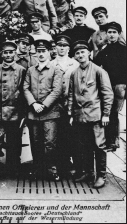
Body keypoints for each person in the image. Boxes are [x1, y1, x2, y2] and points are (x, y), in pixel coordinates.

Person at [68, 40, 114, 188]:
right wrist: (70, 113)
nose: (80, 55)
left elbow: (107, 94)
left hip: (96, 115)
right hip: (79, 116)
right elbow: (70, 95)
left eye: (83, 52)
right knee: (84, 146)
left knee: (99, 146)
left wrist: (106, 114)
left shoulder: (99, 71)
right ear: (74, 57)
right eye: (77, 53)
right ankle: (88, 172)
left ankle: (101, 176)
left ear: (89, 53)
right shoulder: (74, 73)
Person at [0, 41, 26, 180]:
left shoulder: (21, 70)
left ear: (15, 53)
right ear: (2, 54)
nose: (8, 55)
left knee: (15, 142)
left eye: (11, 52)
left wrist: (23, 113)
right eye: (6, 52)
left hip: (15, 111)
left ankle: (14, 169)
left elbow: (24, 91)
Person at [23, 39, 63, 180]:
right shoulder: (30, 70)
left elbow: (56, 91)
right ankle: (37, 169)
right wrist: (33, 104)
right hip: (34, 112)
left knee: (50, 142)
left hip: (50, 113)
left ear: (49, 52)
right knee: (35, 141)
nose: (40, 54)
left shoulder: (56, 70)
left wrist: (44, 105)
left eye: (43, 51)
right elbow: (25, 88)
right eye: (38, 51)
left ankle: (52, 170)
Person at [95, 22, 126, 151]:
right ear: (106, 34)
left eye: (114, 32)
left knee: (113, 113)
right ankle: (109, 140)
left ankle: (113, 141)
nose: (112, 35)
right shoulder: (104, 51)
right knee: (107, 112)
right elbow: (96, 65)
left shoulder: (124, 50)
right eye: (109, 32)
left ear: (119, 34)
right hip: (107, 86)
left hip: (120, 85)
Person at [51, 35, 79, 176]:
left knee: (70, 134)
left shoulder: (74, 64)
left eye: (64, 46)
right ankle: (58, 164)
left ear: (69, 48)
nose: (62, 48)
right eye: (59, 45)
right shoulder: (50, 64)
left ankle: (69, 163)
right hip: (54, 105)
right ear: (55, 47)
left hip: (70, 103)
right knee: (56, 135)